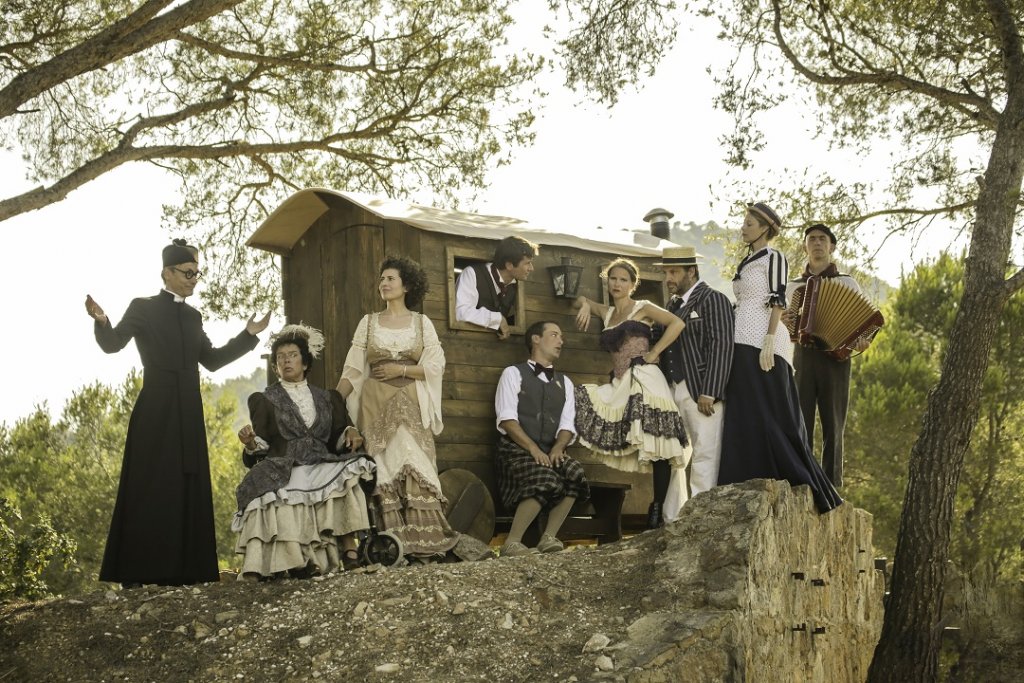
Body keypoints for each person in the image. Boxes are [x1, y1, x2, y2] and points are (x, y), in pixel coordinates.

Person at [84, 238, 271, 587]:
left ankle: (186, 572)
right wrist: (102, 319)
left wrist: (248, 334)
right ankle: (137, 573)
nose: (193, 279)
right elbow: (112, 344)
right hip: (155, 407)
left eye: (197, 274)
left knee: (186, 484)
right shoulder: (141, 307)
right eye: (187, 272)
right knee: (149, 485)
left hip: (188, 409)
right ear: (166, 273)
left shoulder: (193, 316)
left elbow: (212, 361)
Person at [717, 203, 842, 513]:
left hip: (763, 339)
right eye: (743, 222)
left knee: (773, 412)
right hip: (739, 339)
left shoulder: (774, 258)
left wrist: (770, 340)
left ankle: (798, 476)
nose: (743, 228)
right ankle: (742, 477)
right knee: (745, 408)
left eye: (749, 223)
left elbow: (777, 300)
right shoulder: (747, 260)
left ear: (764, 228)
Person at [337, 255, 460, 561]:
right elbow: (353, 370)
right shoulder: (368, 323)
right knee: (386, 469)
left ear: (406, 285)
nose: (384, 284)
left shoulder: (421, 322)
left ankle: (425, 544)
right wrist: (332, 403)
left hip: (412, 401)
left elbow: (435, 365)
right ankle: (394, 545)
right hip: (375, 403)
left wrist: (401, 371)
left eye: (390, 278)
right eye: (381, 279)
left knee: (414, 460)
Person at [233, 324, 376, 579]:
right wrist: (250, 443)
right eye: (280, 358)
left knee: (347, 474)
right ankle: (298, 561)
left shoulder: (328, 398)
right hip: (286, 464)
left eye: (292, 355)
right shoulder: (264, 400)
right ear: (276, 366)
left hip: (321, 459)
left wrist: (351, 433)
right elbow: (262, 445)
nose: (286, 361)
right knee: (282, 488)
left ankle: (350, 551)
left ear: (305, 362)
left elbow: (338, 433)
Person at [573, 257, 690, 529]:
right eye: (613, 278)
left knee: (658, 443)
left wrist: (654, 352)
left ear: (632, 284)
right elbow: (579, 299)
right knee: (585, 397)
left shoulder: (643, 307)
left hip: (646, 378)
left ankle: (657, 507)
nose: (617, 283)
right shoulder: (607, 314)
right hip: (620, 381)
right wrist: (585, 305)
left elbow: (677, 324)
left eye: (623, 279)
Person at [782, 224, 872, 488]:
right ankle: (803, 480)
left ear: (832, 246)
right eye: (812, 239)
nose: (817, 243)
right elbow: (784, 327)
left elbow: (864, 323)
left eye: (823, 239)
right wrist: (786, 321)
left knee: (834, 424)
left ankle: (832, 485)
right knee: (801, 420)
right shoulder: (793, 287)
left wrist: (862, 341)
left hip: (836, 359)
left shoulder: (847, 282)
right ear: (804, 247)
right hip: (802, 357)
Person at [494, 321, 590, 557]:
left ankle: (549, 538)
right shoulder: (513, 373)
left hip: (549, 450)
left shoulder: (565, 382)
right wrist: (533, 449)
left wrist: (558, 447)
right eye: (554, 335)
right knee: (547, 478)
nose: (561, 341)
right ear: (536, 339)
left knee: (574, 472)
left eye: (561, 336)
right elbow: (507, 419)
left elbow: (568, 424)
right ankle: (512, 542)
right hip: (515, 451)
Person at [653, 246, 735, 498]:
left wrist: (710, 391)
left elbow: (721, 346)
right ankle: (673, 515)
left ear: (692, 271)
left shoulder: (714, 299)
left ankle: (702, 515)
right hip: (673, 389)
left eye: (674, 272)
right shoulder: (670, 305)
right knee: (675, 455)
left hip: (701, 389)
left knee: (705, 453)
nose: (669, 278)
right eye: (666, 272)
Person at [454, 235, 538, 339]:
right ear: (509, 265)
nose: (531, 268)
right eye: (527, 263)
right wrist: (497, 319)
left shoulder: (515, 286)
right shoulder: (472, 273)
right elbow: (461, 313)